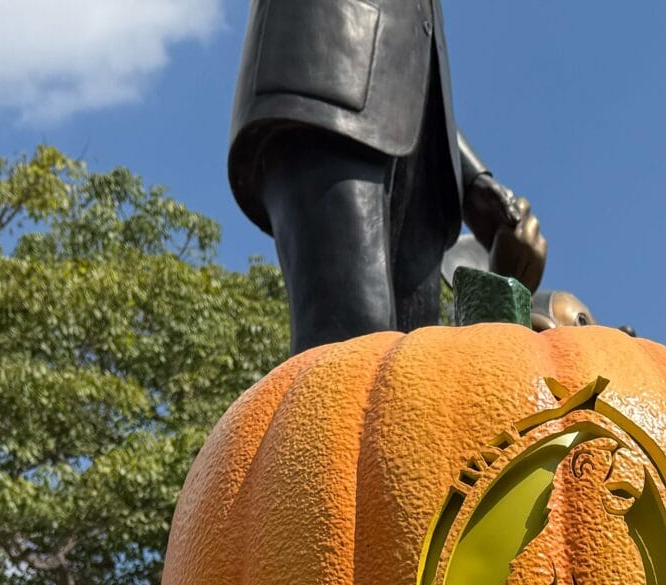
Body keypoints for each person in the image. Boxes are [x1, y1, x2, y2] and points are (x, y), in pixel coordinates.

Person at [228, 0, 545, 354]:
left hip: (418, 148)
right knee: (354, 341)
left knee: (414, 366)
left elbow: (406, 59)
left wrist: (471, 178)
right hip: (320, 93)